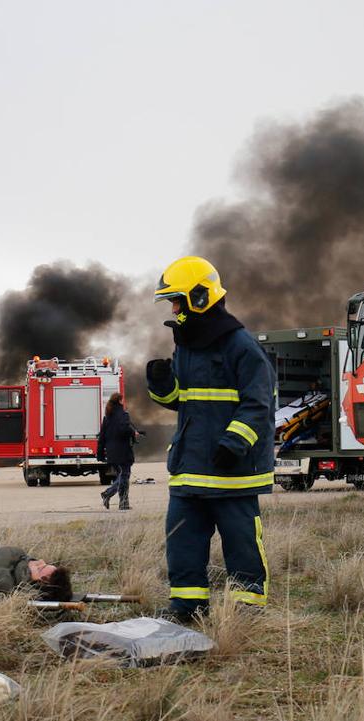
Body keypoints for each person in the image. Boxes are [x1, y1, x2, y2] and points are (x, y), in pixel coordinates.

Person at [145, 257, 275, 623]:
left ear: (199, 298)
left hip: (231, 471)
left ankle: (246, 608)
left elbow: (259, 404)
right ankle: (187, 606)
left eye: (177, 301)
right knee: (183, 541)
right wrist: (161, 385)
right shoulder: (186, 345)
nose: (173, 309)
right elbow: (181, 403)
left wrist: (234, 443)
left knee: (241, 543)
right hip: (191, 469)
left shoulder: (241, 346)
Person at [97, 392, 136, 510]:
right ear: (120, 401)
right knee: (124, 476)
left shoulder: (107, 417)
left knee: (123, 475)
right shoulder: (123, 415)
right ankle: (107, 494)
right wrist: (133, 433)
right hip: (122, 452)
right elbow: (124, 429)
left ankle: (124, 503)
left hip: (111, 452)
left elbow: (102, 437)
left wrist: (100, 454)